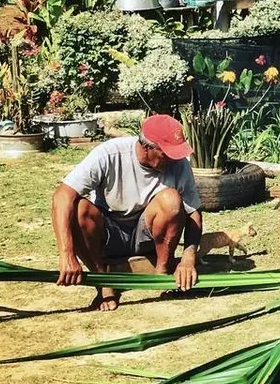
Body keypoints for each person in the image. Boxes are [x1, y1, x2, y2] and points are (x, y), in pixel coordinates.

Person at [51, 114, 203, 311]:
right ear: (147, 147)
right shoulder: (109, 154)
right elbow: (61, 196)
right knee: (79, 208)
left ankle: (162, 272)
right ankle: (104, 285)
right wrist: (66, 254)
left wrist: (188, 258)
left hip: (147, 234)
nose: (174, 159)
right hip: (109, 233)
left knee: (171, 200)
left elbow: (193, 212)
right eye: (167, 153)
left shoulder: (178, 163)